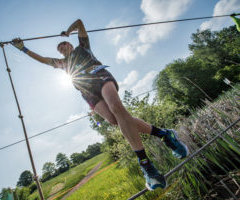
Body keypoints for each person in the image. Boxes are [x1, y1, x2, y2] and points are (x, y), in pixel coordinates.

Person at [11, 19, 188, 190]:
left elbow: (80, 22)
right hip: (88, 92)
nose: (61, 48)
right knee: (114, 120)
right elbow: (42, 59)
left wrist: (69, 31)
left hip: (99, 77)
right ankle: (165, 135)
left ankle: (148, 167)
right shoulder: (63, 64)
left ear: (70, 45)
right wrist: (23, 48)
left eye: (63, 44)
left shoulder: (83, 47)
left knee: (117, 109)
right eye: (58, 48)